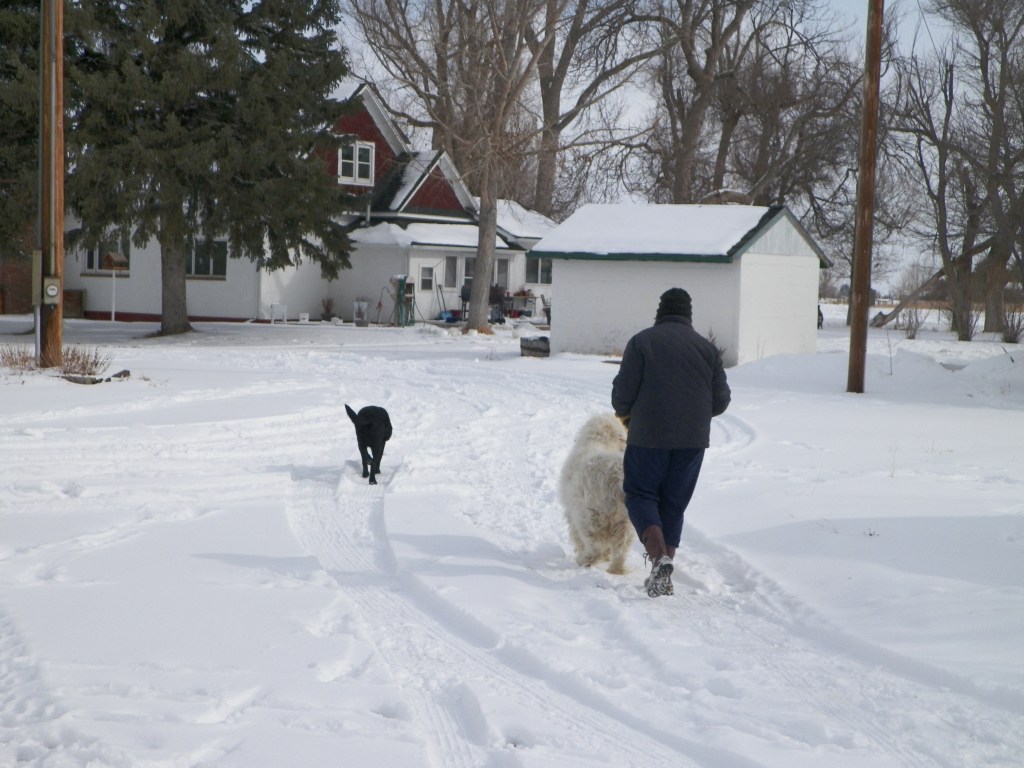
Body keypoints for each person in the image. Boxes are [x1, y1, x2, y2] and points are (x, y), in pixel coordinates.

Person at [611, 288, 731, 597]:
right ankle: (663, 571)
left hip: (647, 436)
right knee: (673, 503)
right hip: (692, 440)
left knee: (640, 494)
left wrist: (629, 415)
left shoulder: (642, 342)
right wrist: (692, 414)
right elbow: (720, 401)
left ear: (660, 311)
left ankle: (658, 559)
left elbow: (621, 396)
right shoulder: (707, 349)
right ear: (689, 314)